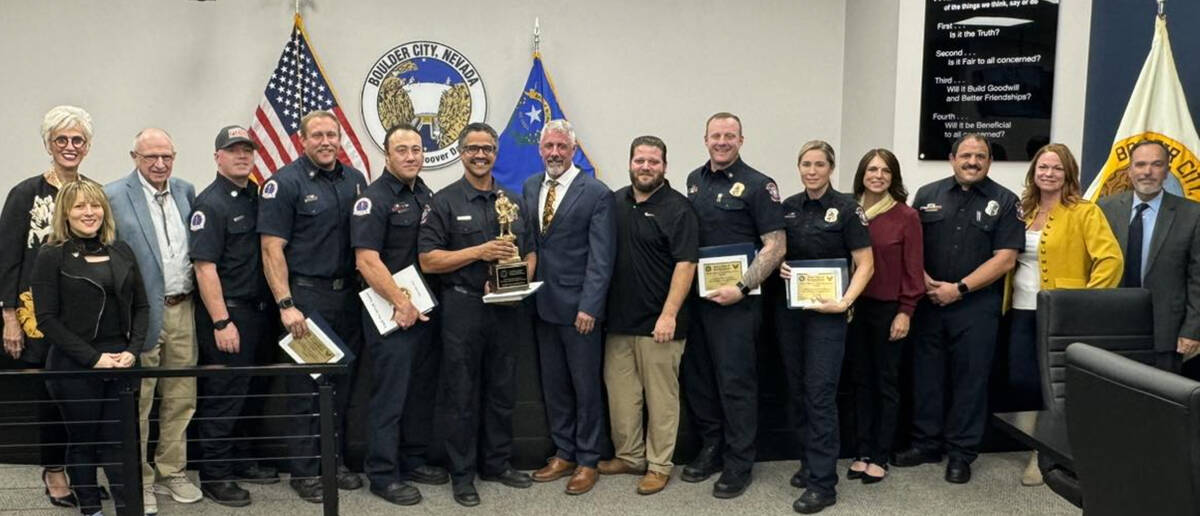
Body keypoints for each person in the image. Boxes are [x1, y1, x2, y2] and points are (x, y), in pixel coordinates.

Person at [891, 133, 1022, 485]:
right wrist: (925, 281)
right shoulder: (928, 195)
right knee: (926, 377)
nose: (973, 162)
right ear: (952, 159)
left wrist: (959, 288)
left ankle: (961, 454)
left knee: (970, 381)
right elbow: (909, 246)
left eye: (981, 156)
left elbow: (1006, 259)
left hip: (975, 307)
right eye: (966, 155)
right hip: (929, 302)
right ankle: (925, 444)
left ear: (989, 162)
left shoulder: (1006, 202)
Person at [419, 122, 536, 506]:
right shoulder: (444, 201)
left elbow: (531, 252)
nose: (481, 155)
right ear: (461, 153)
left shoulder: (513, 200)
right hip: (462, 307)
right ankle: (463, 474)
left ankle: (497, 464)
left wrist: (514, 281)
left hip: (506, 308)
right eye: (473, 149)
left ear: (496, 153)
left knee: (502, 389)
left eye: (487, 148)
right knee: (461, 394)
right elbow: (429, 260)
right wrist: (479, 252)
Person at [258, 110, 368, 503]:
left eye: (332, 135)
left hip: (347, 298)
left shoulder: (354, 180)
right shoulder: (283, 184)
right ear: (301, 140)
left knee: (341, 386)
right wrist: (286, 304)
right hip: (306, 299)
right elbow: (271, 249)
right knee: (306, 390)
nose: (326, 141)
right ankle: (305, 472)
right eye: (317, 135)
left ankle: (332, 463)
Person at [681, 112, 786, 499]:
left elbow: (775, 245)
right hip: (700, 300)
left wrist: (741, 287)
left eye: (729, 136)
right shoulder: (693, 181)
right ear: (705, 139)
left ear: (741, 140)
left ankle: (739, 462)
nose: (721, 142)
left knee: (736, 383)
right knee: (701, 379)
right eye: (715, 136)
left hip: (739, 303)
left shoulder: (760, 185)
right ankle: (711, 448)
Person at [1007, 144, 1122, 486]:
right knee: (1022, 380)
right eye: (1043, 167)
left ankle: (1043, 457)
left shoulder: (1085, 212)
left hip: (1062, 312)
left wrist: (1083, 302)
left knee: (1055, 386)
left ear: (1068, 173)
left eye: (1057, 168)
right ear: (1034, 171)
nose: (1049, 173)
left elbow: (1111, 260)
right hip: (1020, 308)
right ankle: (1031, 444)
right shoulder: (1022, 210)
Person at [33, 180, 147, 516]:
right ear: (66, 213)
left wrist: (133, 350)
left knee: (118, 444)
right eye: (80, 206)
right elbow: (46, 319)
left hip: (122, 363)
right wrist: (93, 358)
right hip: (74, 365)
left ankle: (128, 510)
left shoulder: (121, 250)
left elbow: (142, 307)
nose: (89, 212)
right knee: (83, 443)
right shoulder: (51, 255)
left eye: (95, 205)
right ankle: (91, 509)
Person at [0, 105, 94, 509]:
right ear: (48, 144)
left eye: (77, 140)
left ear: (87, 146)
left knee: (81, 396)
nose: (69, 147)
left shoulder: (92, 193)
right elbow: (7, 258)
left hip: (82, 319)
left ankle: (80, 470)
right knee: (51, 397)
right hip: (34, 317)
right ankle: (54, 471)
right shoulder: (25, 193)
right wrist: (8, 317)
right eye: (61, 140)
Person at [104, 128, 201, 513]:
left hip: (184, 308)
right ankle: (138, 479)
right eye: (150, 158)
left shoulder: (186, 190)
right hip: (139, 315)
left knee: (181, 396)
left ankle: (171, 471)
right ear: (134, 157)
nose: (160, 164)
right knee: (139, 400)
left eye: (167, 156)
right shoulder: (113, 195)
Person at [351, 123, 447, 506]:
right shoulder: (372, 199)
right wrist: (400, 303)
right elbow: (366, 260)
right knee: (389, 397)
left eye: (417, 149)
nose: (411, 156)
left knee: (420, 392)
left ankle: (411, 459)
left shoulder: (425, 194)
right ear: (386, 156)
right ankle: (383, 474)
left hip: (424, 312)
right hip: (391, 314)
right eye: (402, 150)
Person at [775, 141, 873, 514]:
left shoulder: (848, 209)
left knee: (819, 395)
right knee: (798, 392)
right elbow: (777, 250)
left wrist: (846, 301)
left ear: (831, 168)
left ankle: (823, 484)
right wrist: (782, 266)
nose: (812, 170)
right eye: (806, 164)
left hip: (829, 317)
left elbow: (866, 264)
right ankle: (809, 462)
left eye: (819, 164)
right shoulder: (787, 209)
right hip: (792, 314)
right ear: (798, 168)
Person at [597, 136, 698, 495]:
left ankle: (658, 464)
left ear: (665, 167)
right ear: (629, 163)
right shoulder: (614, 202)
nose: (646, 167)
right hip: (619, 323)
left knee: (661, 399)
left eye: (653, 161)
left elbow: (686, 264)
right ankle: (629, 456)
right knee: (622, 396)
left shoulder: (678, 208)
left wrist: (669, 314)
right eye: (640, 160)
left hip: (661, 324)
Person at [188, 126, 282, 507]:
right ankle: (215, 475)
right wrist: (221, 322)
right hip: (231, 316)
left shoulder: (257, 197)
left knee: (252, 393)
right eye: (233, 151)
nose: (242, 156)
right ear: (218, 157)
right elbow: (204, 268)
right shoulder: (210, 204)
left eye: (247, 150)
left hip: (261, 314)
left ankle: (242, 459)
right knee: (223, 398)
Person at [521, 119, 616, 495]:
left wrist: (590, 306)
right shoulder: (530, 187)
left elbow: (602, 258)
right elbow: (528, 245)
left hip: (580, 310)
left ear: (573, 150)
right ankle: (564, 452)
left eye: (562, 146)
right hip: (541, 306)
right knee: (555, 386)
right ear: (540, 150)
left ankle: (589, 459)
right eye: (549, 147)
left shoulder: (596, 193)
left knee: (585, 388)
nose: (555, 153)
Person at [845, 148, 923, 487]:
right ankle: (862, 451)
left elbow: (913, 268)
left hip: (888, 309)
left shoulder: (906, 216)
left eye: (885, 170)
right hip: (851, 308)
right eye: (872, 169)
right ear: (862, 173)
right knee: (860, 382)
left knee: (885, 383)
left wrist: (906, 311)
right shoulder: (848, 210)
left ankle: (880, 454)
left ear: (894, 177)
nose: (878, 175)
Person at [1098, 139, 1200, 374]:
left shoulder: (1192, 214)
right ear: (1130, 170)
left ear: (1167, 170)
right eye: (1140, 164)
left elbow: (1197, 279)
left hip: (1168, 334)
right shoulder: (1105, 208)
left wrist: (1192, 330)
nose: (1147, 172)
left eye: (1156, 164)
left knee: (1161, 405)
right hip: (1113, 329)